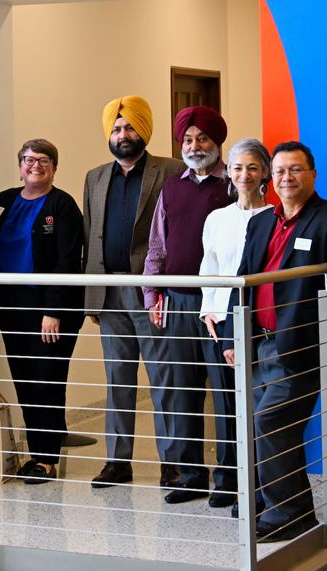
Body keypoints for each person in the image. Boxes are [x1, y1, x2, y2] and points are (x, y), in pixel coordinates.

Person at [222, 141, 327, 541]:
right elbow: (242, 281)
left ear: (313, 174)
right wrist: (232, 339)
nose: (287, 178)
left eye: (296, 170)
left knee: (270, 420)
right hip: (259, 343)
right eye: (281, 171)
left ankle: (293, 510)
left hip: (303, 345)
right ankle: (273, 501)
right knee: (260, 422)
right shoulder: (261, 222)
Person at [82, 95, 185, 491]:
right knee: (118, 381)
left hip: (151, 292)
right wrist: (92, 295)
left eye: (129, 128)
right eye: (116, 129)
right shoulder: (94, 176)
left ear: (144, 130)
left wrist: (164, 288)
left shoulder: (170, 170)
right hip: (109, 294)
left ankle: (172, 464)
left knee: (164, 379)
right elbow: (92, 236)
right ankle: (117, 461)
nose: (123, 135)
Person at [142, 105, 232, 504]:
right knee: (182, 391)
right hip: (176, 303)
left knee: (226, 393)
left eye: (203, 139)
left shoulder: (234, 183)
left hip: (219, 307)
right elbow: (157, 246)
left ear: (217, 142)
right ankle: (190, 474)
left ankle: (229, 478)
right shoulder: (171, 187)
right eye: (188, 140)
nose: (195, 146)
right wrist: (152, 294)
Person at [0, 139, 84, 484]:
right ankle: (45, 444)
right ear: (20, 165)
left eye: (43, 160)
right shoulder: (3, 202)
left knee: (46, 381)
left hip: (51, 310)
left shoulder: (64, 205)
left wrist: (53, 309)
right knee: (25, 380)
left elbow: (68, 262)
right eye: (28, 160)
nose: (35, 166)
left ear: (54, 167)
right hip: (12, 309)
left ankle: (44, 459)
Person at [197, 138, 272, 508]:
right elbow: (209, 268)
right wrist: (208, 310)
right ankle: (228, 479)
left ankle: (258, 483)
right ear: (228, 172)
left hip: (257, 325)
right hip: (218, 322)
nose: (244, 175)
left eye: (253, 167)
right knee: (225, 405)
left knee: (257, 405)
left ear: (264, 174)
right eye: (238, 167)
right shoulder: (217, 218)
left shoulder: (275, 217)